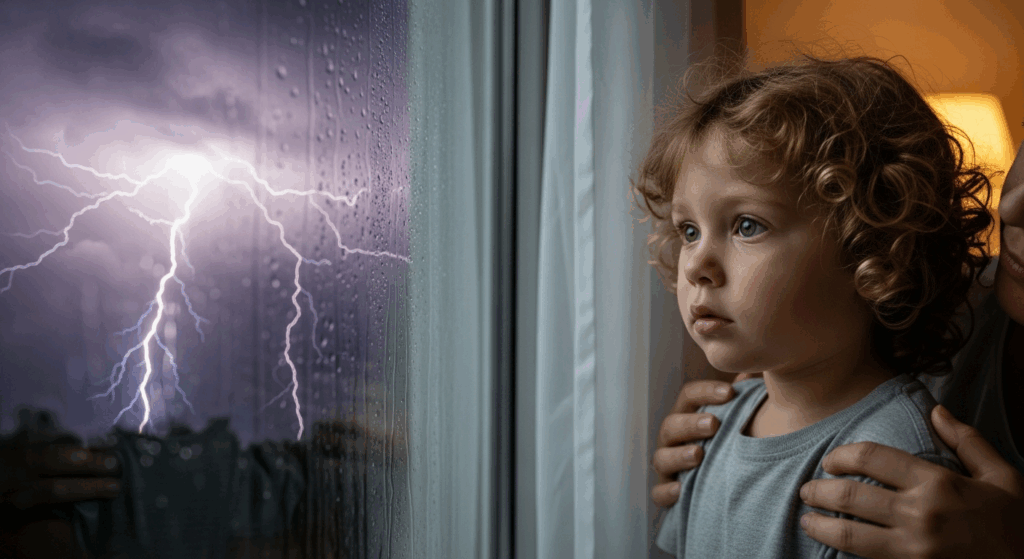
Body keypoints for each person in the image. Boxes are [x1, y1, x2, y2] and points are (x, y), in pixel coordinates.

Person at [634, 55, 998, 557]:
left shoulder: (894, 463)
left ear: (873, 251)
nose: (696, 264)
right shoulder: (713, 425)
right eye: (689, 230)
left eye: (746, 225)